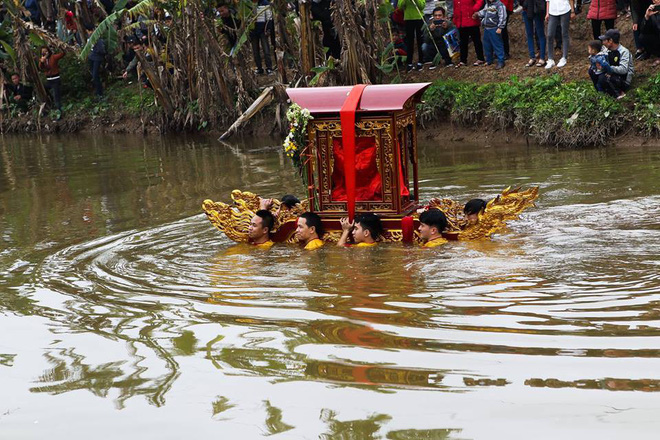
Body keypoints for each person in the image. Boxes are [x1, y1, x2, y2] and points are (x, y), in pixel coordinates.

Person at [595, 28, 634, 98]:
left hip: (623, 79)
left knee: (603, 77)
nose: (603, 43)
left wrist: (608, 68)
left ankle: (619, 94)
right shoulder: (607, 50)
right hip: (612, 74)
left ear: (610, 41)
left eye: (604, 40)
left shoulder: (624, 52)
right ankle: (603, 93)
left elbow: (624, 70)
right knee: (593, 72)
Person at [447, 0, 486, 66]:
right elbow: (455, 7)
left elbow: (479, 1)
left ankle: (480, 58)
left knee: (476, 41)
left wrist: (475, 9)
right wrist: (455, 18)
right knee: (462, 42)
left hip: (472, 20)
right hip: (461, 22)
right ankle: (463, 60)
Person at [476, 0, 507, 69]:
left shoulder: (499, 5)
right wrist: (478, 14)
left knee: (497, 45)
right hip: (487, 28)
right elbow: (484, 12)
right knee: (487, 45)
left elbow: (503, 16)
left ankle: (501, 61)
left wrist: (500, 27)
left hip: (494, 28)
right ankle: (489, 60)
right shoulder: (487, 5)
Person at [545, 0, 576, 69]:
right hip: (552, 11)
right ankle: (550, 59)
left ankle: (564, 57)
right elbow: (548, 1)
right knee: (550, 34)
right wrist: (547, 13)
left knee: (564, 33)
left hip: (565, 9)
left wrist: (572, 11)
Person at [399, 0, 427, 71]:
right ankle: (409, 62)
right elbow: (400, 6)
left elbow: (422, 6)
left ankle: (421, 61)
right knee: (409, 41)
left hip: (419, 17)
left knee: (420, 40)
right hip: (408, 18)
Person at [38, 46, 65, 115]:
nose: (44, 53)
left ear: (48, 51)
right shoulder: (42, 59)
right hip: (49, 80)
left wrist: (60, 46)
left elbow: (62, 54)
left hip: (55, 79)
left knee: (56, 96)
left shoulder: (53, 57)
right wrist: (42, 62)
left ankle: (59, 112)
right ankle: (50, 105)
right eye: (43, 52)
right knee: (43, 89)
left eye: (46, 51)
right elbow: (41, 68)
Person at [250, 0, 274, 75]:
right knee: (255, 51)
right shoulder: (247, 3)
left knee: (266, 50)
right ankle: (259, 68)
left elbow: (269, 17)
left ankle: (269, 68)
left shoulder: (264, 3)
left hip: (263, 30)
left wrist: (268, 29)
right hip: (253, 31)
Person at [521, 0, 547, 66]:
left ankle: (542, 58)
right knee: (529, 34)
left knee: (540, 34)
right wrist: (524, 4)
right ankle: (532, 57)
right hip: (526, 9)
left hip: (538, 9)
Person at [87, 29, 106, 98]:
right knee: (93, 75)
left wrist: (97, 52)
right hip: (91, 57)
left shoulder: (98, 39)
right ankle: (98, 91)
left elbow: (102, 50)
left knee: (95, 75)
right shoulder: (89, 38)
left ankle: (100, 93)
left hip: (97, 58)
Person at [640, 0, 660, 65]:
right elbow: (643, 30)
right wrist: (647, 16)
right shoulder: (653, 13)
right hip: (658, 36)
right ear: (653, 2)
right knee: (642, 37)